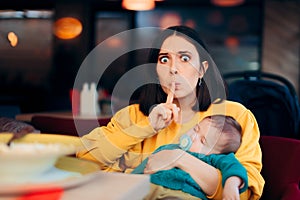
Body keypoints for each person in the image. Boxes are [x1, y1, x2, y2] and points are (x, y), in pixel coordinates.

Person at [77, 25, 264, 199]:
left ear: (202, 69)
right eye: (164, 59)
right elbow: (85, 159)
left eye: (184, 58)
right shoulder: (133, 116)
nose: (173, 69)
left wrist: (178, 158)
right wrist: (148, 126)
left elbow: (244, 192)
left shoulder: (234, 115)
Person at [132, 115, 248, 200]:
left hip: (185, 193)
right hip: (151, 186)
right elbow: (142, 168)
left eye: (202, 141)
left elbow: (234, 168)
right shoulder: (168, 148)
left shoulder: (213, 159)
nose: (193, 137)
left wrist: (231, 185)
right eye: (196, 129)